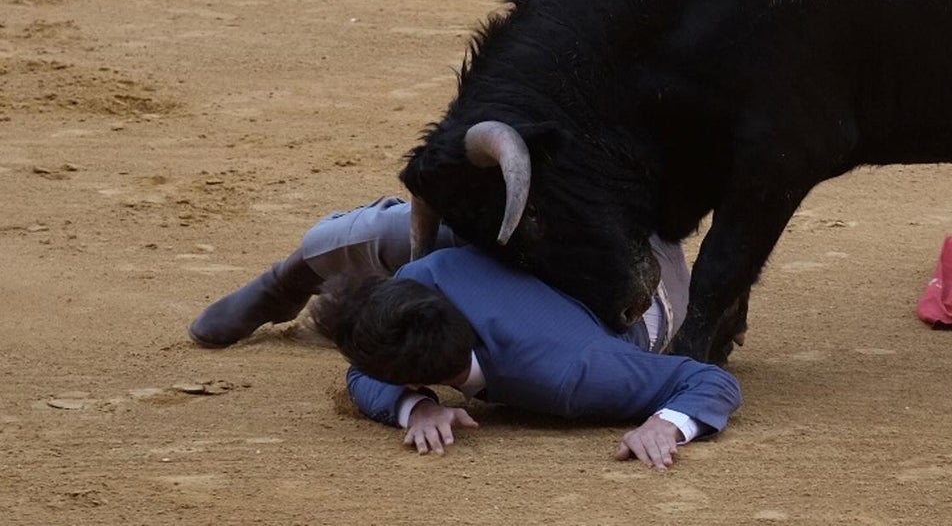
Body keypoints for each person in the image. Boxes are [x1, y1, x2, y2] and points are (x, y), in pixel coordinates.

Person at [189, 197, 741, 468]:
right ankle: (286, 280)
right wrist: (414, 407)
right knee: (376, 232)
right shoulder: (426, 278)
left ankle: (730, 299)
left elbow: (704, 380)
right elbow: (366, 372)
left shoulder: (574, 376)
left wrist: (667, 425)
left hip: (640, 264)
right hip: (542, 256)